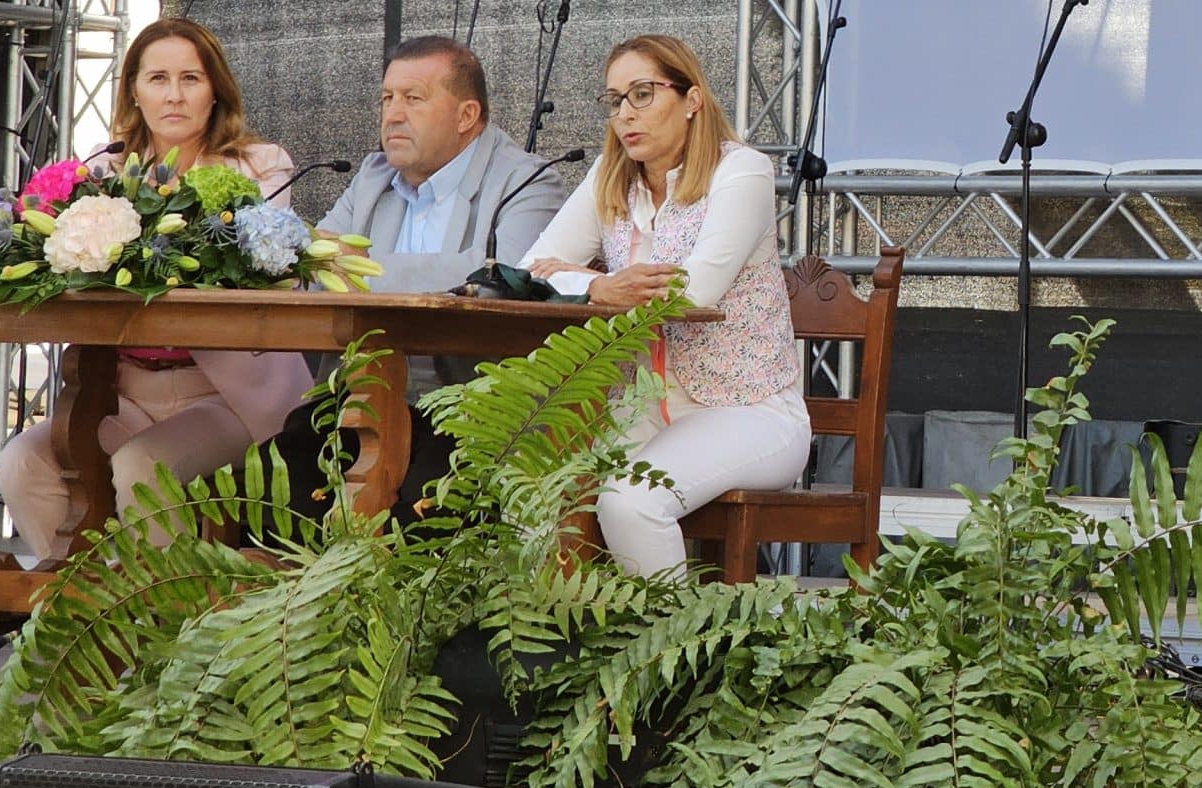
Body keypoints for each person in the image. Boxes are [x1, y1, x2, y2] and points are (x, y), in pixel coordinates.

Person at [0, 17, 309, 560]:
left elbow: (242, 269)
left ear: (216, 91)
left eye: (191, 78)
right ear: (134, 92)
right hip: (123, 392)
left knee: (141, 466)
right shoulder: (103, 167)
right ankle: (88, 612)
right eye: (158, 79)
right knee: (20, 464)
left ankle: (159, 625)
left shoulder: (261, 166)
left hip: (226, 397)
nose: (174, 95)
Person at [520, 34, 805, 578]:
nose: (625, 114)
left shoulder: (741, 171)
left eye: (643, 94)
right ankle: (569, 647)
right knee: (535, 495)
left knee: (631, 501)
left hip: (748, 411)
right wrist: (600, 288)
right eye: (615, 100)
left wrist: (587, 280)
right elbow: (530, 269)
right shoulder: (608, 177)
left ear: (691, 99)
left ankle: (674, 653)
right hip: (640, 407)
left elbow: (696, 289)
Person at [265, 35, 570, 507]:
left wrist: (358, 269)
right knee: (269, 485)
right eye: (387, 98)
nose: (393, 114)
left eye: (413, 98)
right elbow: (312, 264)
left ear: (467, 116)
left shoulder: (526, 181)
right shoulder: (373, 176)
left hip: (471, 405)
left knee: (419, 507)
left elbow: (506, 279)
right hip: (358, 399)